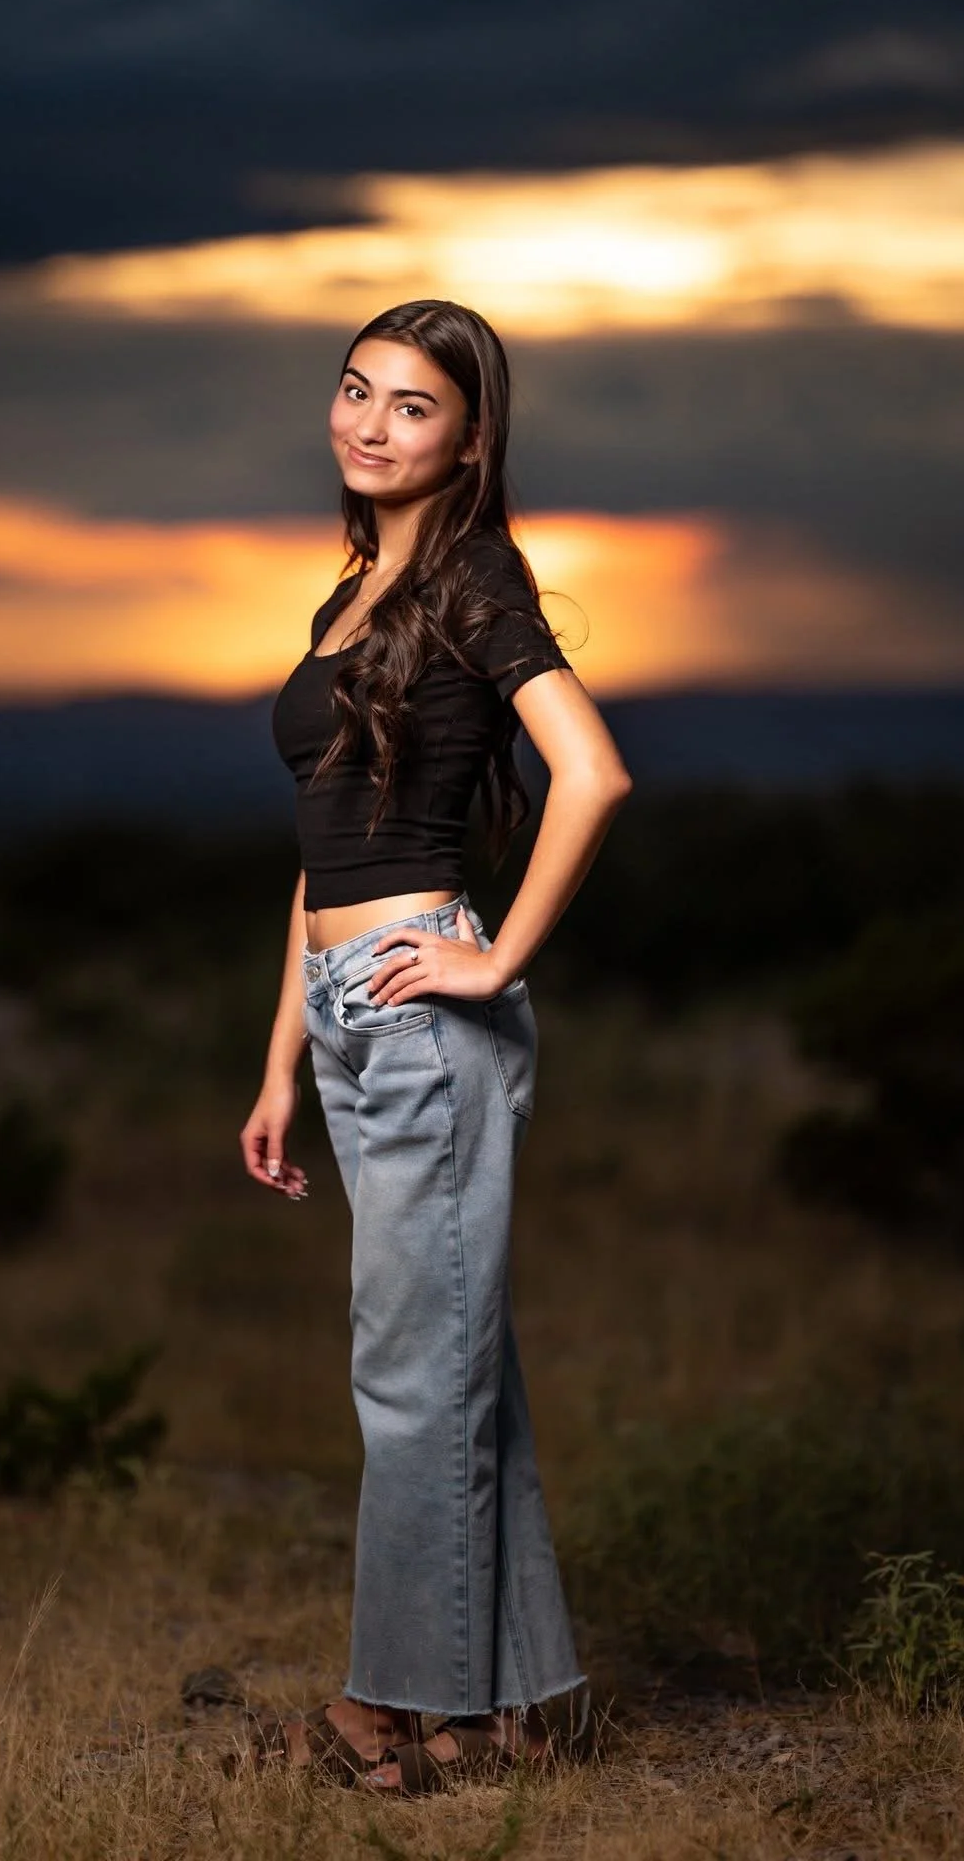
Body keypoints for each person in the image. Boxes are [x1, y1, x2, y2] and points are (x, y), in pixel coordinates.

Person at [236, 298, 631, 1795]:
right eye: (354, 389)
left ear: (467, 439)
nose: (368, 421)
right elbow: (315, 863)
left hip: (424, 1017)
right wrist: (280, 1059)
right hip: (350, 1021)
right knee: (461, 1361)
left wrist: (496, 956)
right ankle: (526, 1702)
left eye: (410, 405)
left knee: (409, 1373)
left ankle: (388, 1718)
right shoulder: (353, 598)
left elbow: (592, 773)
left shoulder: (471, 579)